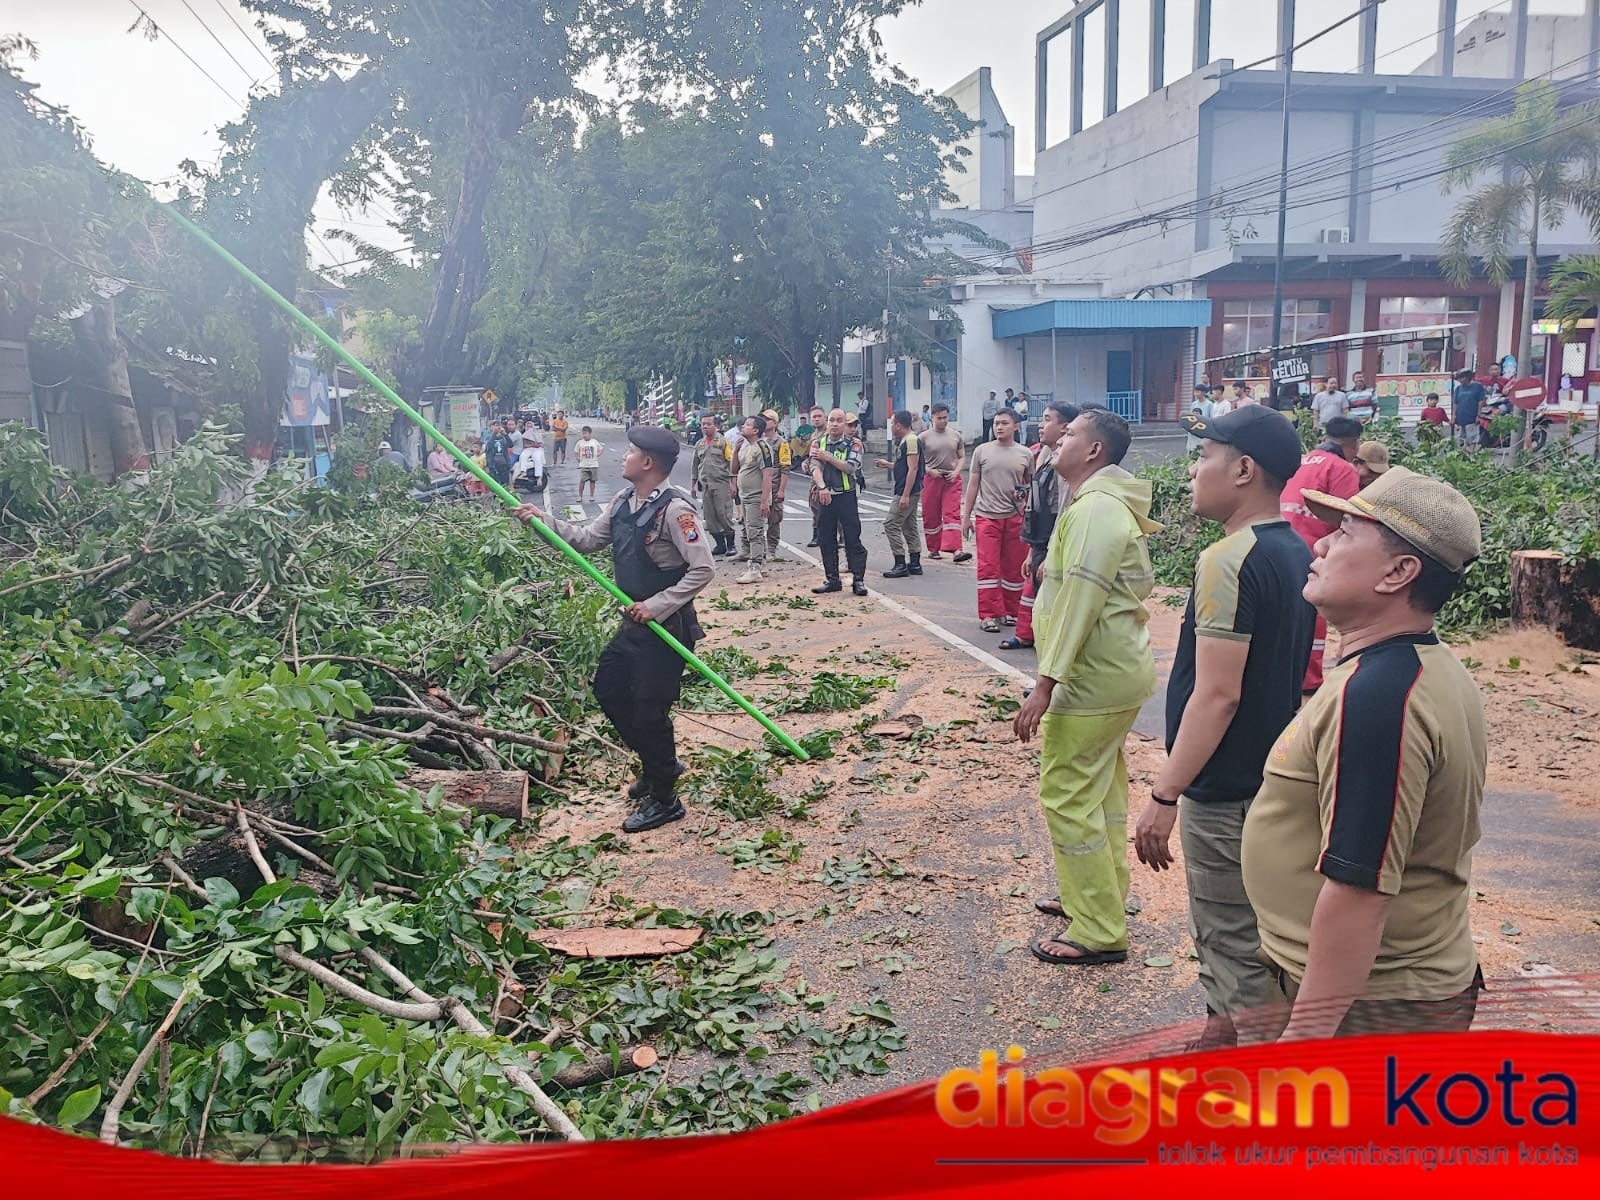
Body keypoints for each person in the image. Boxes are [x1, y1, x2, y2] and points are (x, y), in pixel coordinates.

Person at [1243, 467, 1485, 1039]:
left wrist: (1303, 1040)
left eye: (1346, 532)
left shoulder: (1382, 698)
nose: (1320, 543)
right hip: (1376, 997)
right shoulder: (1416, 668)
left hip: (1373, 1010)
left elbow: (1359, 892)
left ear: (1400, 573)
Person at [1134, 406, 1314, 1047]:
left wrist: (1164, 794)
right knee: (1261, 928)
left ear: (1243, 469)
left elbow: (1217, 696)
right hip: (1271, 775)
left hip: (1226, 784)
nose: (1192, 468)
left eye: (1204, 455)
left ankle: (1261, 1087)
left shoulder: (1227, 560)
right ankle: (1223, 1038)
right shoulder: (1296, 551)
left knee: (1230, 933)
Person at [511, 426, 713, 833]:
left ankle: (665, 798)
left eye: (632, 452)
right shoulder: (624, 501)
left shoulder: (676, 511)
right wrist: (541, 522)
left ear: (648, 463)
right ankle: (661, 763)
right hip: (633, 627)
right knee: (608, 687)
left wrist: (656, 606)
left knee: (650, 711)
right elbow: (585, 540)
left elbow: (704, 568)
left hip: (667, 630)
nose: (624, 457)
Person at [1013, 407, 1159, 967]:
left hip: (1090, 677)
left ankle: (1098, 927)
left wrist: (1046, 683)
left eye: (1069, 433)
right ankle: (1093, 897)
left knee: (1068, 793)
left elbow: (1083, 598)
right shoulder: (1091, 502)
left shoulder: (1097, 509)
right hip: (1106, 673)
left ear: (1094, 450)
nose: (1055, 437)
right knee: (1101, 792)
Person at [1281, 416, 1362, 693]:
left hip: (1282, 543)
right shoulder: (1342, 469)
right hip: (1311, 549)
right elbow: (1347, 520)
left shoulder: (1303, 460)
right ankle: (1309, 679)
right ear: (1353, 444)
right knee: (1313, 617)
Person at [1002, 400, 1078, 652]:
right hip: (1039, 538)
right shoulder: (1044, 454)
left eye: (1047, 419)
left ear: (1065, 427)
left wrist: (1051, 554)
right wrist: (1031, 551)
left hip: (1053, 539)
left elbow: (1065, 509)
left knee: (1051, 600)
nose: (1040, 425)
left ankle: (1050, 656)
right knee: (1033, 591)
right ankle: (1028, 636)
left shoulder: (1066, 461)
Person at [961, 409, 1033, 633]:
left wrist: (1025, 505)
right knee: (988, 567)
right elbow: (973, 484)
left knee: (1013, 568)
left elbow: (1030, 486)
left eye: (1004, 423)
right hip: (987, 517)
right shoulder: (982, 451)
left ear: (1016, 426)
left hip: (1014, 518)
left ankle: (1011, 611)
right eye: (996, 423)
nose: (999, 427)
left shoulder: (1025, 454)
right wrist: (966, 516)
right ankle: (989, 614)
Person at [809, 408, 869, 596]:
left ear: (845, 424)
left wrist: (828, 457)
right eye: (832, 420)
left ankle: (858, 580)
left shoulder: (855, 443)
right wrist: (821, 487)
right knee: (826, 539)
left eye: (839, 421)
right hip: (826, 496)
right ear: (827, 422)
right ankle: (832, 579)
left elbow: (850, 468)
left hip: (846, 496)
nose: (835, 424)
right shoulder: (819, 442)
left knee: (852, 539)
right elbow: (814, 466)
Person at [876, 409, 924, 578]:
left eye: (892, 424)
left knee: (891, 524)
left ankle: (900, 563)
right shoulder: (906, 441)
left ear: (898, 424)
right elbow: (903, 465)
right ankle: (915, 562)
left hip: (906, 490)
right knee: (908, 525)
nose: (891, 427)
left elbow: (913, 468)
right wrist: (888, 465)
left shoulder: (911, 440)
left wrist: (905, 494)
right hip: (908, 489)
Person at [920, 402, 965, 560]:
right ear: (932, 418)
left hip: (951, 478)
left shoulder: (955, 435)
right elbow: (916, 461)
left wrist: (956, 472)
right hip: (931, 479)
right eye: (939, 418)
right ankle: (933, 548)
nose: (943, 421)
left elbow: (962, 457)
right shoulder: (923, 437)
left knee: (952, 513)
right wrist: (928, 471)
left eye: (945, 418)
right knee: (931, 514)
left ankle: (956, 549)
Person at [734, 414, 774, 585]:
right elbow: (735, 468)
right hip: (745, 496)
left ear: (756, 430)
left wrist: (765, 500)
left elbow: (768, 474)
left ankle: (755, 567)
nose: (743, 426)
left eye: (747, 425)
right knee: (752, 529)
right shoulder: (745, 446)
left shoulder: (762, 447)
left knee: (754, 531)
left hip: (756, 497)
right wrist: (735, 451)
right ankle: (762, 563)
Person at [691, 414, 737, 556]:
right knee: (709, 517)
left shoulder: (724, 442)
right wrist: (693, 484)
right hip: (706, 485)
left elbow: (732, 464)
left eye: (708, 424)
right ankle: (720, 544)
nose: (705, 426)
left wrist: (733, 484)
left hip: (721, 484)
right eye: (703, 424)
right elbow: (695, 465)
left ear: (716, 426)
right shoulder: (700, 444)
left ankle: (731, 544)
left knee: (724, 514)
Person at [762, 410, 791, 557]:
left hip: (774, 486)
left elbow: (785, 469)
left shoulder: (781, 443)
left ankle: (771, 548)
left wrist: (781, 490)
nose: (764, 421)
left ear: (775, 423)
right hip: (758, 487)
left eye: (768, 419)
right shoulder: (758, 440)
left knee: (774, 519)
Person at [801, 405, 827, 547]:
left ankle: (840, 536)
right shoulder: (813, 435)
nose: (816, 419)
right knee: (815, 506)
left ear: (825, 417)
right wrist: (806, 462)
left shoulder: (829, 434)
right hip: (814, 475)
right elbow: (811, 454)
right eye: (814, 417)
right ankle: (816, 535)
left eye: (819, 416)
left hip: (827, 474)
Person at [1451, 369, 1487, 448]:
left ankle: (1472, 453)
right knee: (1461, 439)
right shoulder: (1458, 389)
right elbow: (1455, 403)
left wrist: (1478, 415)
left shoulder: (1477, 387)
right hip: (1461, 418)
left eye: (1462, 378)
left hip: (1472, 417)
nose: (1460, 380)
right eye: (1459, 378)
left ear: (1468, 377)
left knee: (1472, 438)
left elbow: (1480, 401)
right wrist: (1453, 416)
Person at [575, 426, 603, 501]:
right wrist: (578, 458)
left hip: (593, 464)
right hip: (584, 464)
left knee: (592, 481)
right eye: (583, 433)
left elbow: (601, 449)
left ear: (590, 434)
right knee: (582, 480)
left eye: (586, 433)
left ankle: (591, 495)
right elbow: (576, 451)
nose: (584, 435)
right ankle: (580, 496)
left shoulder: (594, 442)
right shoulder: (580, 442)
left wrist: (598, 454)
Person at [482, 424, 511, 490]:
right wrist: (494, 434)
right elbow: (488, 447)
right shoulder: (489, 437)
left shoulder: (503, 438)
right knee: (495, 483)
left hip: (503, 464)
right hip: (494, 465)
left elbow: (510, 444)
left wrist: (505, 434)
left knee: (505, 484)